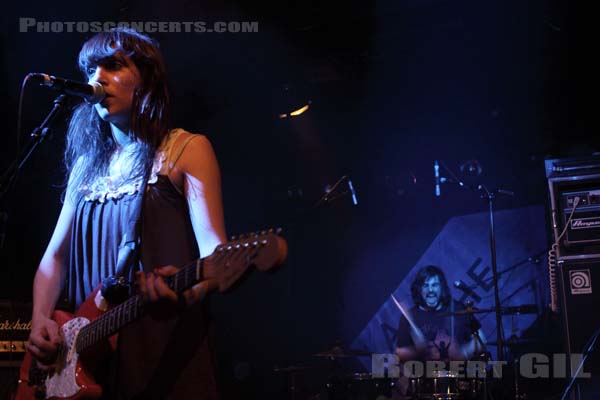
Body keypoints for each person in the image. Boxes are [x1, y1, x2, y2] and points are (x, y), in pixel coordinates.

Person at [26, 27, 227, 399]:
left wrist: (185, 295)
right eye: (91, 70)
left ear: (147, 78)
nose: (97, 78)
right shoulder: (86, 167)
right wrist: (40, 318)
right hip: (91, 354)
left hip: (162, 345)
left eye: (114, 65)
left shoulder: (186, 150)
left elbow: (216, 256)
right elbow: (54, 258)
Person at [395, 266, 485, 363]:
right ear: (419, 289)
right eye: (425, 286)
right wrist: (419, 351)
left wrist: (461, 354)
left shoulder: (457, 308)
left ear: (442, 287)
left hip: (458, 374)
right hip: (425, 374)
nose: (430, 290)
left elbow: (482, 340)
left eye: (435, 285)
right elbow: (400, 352)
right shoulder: (409, 316)